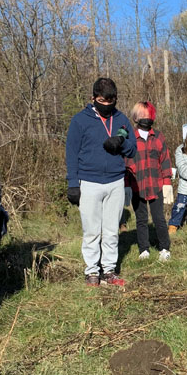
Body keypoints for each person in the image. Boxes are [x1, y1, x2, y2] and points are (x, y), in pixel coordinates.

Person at [66, 78, 136, 287]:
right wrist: (73, 183)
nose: (106, 105)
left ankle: (109, 270)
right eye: (102, 100)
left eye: (110, 100)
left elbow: (133, 149)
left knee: (112, 230)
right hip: (89, 181)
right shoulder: (80, 121)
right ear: (93, 98)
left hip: (115, 181)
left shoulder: (121, 119)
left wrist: (121, 143)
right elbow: (71, 153)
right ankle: (92, 272)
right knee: (91, 230)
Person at [125, 101, 174, 262]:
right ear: (136, 117)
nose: (145, 118)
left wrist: (167, 182)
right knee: (141, 219)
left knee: (159, 218)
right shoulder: (130, 137)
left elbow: (165, 159)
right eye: (142, 115)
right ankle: (144, 249)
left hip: (156, 184)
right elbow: (125, 162)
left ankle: (164, 248)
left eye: (148, 115)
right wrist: (126, 185)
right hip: (136, 185)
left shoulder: (158, 136)